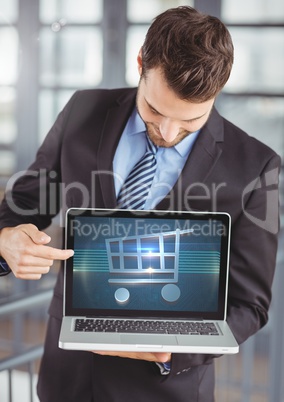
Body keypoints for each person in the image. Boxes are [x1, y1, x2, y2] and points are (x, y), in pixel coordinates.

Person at [0, 6, 281, 402]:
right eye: (154, 110)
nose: (167, 132)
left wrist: (171, 350)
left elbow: (250, 306)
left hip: (166, 388)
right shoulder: (83, 110)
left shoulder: (257, 166)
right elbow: (24, 202)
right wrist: (6, 237)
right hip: (67, 376)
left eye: (190, 122)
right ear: (140, 64)